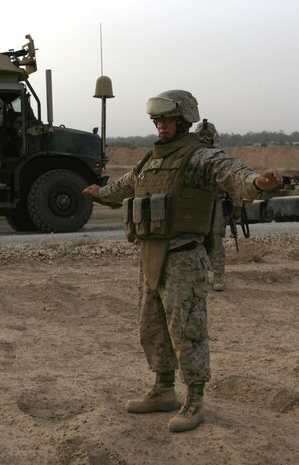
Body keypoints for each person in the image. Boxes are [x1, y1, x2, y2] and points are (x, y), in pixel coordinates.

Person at [82, 89, 282, 433]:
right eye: (157, 120)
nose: (161, 126)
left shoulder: (200, 156)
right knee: (152, 327)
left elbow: (231, 172)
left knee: (187, 328)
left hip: (183, 256)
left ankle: (195, 399)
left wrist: (257, 183)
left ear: (184, 121)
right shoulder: (151, 158)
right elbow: (129, 185)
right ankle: (162, 390)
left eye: (167, 120)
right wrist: (102, 194)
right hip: (150, 255)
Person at [194, 119, 243, 291]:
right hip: (195, 205)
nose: (206, 139)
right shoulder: (190, 157)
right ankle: (198, 275)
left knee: (215, 241)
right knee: (193, 241)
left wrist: (236, 206)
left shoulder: (220, 158)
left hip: (216, 204)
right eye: (202, 135)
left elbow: (232, 182)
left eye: (208, 136)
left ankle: (217, 275)